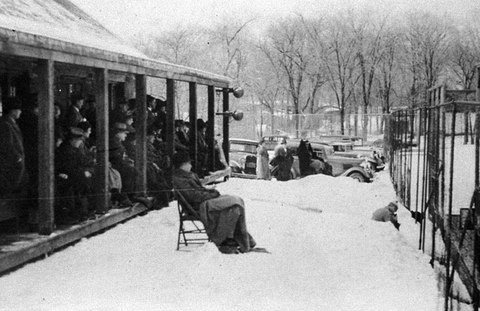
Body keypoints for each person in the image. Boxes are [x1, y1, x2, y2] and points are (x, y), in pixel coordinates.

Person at [172, 152, 257, 254]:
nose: (191, 165)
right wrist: (212, 193)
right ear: (183, 164)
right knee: (235, 205)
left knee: (237, 201)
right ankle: (228, 239)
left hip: (204, 201)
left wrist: (209, 191)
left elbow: (197, 192)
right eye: (189, 163)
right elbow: (194, 196)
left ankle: (239, 239)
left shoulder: (187, 176)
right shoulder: (180, 179)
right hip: (201, 206)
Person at [55, 127, 95, 224]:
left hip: (73, 175)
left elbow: (82, 161)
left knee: (86, 180)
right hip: (65, 176)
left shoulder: (73, 148)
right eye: (79, 140)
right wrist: (83, 172)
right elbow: (69, 168)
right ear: (72, 140)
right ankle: (77, 213)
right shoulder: (66, 150)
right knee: (80, 183)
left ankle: (83, 212)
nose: (80, 142)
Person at [0, 97, 28, 198]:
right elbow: (7, 145)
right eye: (18, 110)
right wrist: (18, 158)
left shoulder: (10, 123)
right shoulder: (5, 125)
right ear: (13, 111)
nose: (20, 112)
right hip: (12, 164)